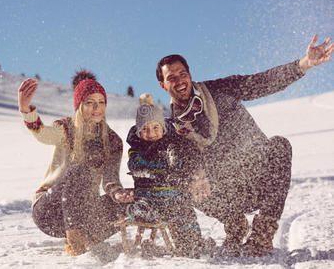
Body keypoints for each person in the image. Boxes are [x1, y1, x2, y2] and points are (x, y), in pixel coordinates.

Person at [155, 34, 333, 257]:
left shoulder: (219, 90)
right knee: (178, 177)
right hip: (222, 192)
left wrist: (304, 64)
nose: (180, 80)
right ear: (162, 85)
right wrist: (194, 173)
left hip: (256, 178)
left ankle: (261, 236)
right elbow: (178, 155)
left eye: (183, 74)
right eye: (172, 77)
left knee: (279, 146)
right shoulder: (172, 126)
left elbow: (260, 83)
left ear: (190, 75)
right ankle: (228, 225)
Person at [18, 70, 133, 256]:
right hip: (50, 211)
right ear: (79, 105)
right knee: (79, 170)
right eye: (90, 102)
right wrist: (25, 110)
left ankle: (89, 238)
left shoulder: (112, 141)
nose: (97, 108)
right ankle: (76, 242)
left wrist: (118, 193)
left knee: (131, 203)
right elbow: (42, 134)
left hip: (83, 210)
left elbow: (111, 179)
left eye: (101, 102)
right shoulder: (66, 128)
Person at [125, 93, 213, 257]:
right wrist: (157, 168)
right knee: (145, 208)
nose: (151, 133)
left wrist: (177, 168)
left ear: (163, 128)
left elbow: (179, 166)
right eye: (145, 129)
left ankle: (193, 242)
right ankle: (138, 211)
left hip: (171, 197)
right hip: (148, 195)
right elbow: (135, 165)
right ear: (138, 132)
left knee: (185, 213)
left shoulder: (170, 146)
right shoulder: (137, 149)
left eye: (155, 127)